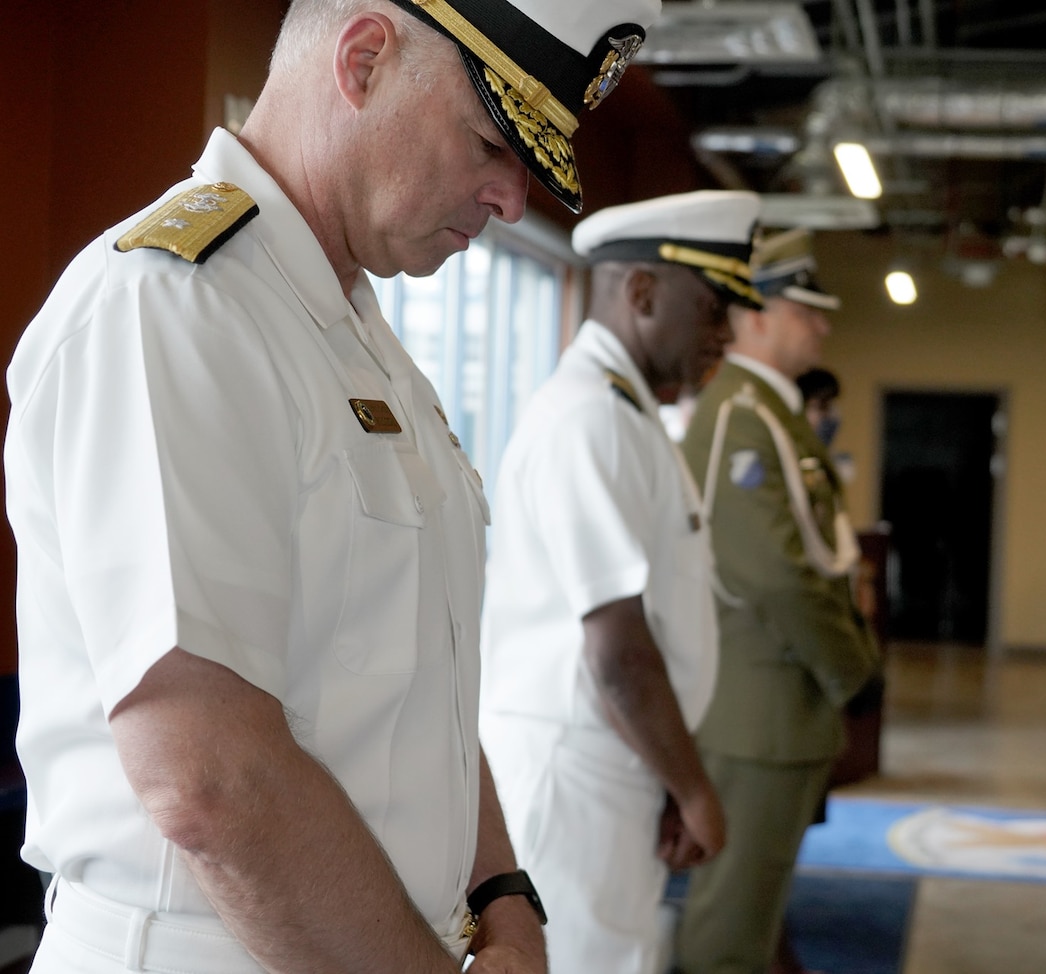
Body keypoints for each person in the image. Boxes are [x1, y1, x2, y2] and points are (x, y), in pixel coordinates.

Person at [2, 0, 656, 971]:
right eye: (490, 142)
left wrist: (500, 892)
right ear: (362, 59)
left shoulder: (364, 341)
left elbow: (420, 682)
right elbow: (209, 776)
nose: (513, 200)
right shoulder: (173, 307)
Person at [477, 190, 760, 974]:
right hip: (578, 777)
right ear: (642, 295)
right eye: (712, 311)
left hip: (615, 765)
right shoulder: (590, 420)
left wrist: (671, 774)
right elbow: (619, 652)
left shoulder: (627, 415)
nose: (726, 338)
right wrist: (696, 788)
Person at [676, 229, 881, 974]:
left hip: (780, 710)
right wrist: (853, 670)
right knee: (729, 929)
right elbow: (775, 575)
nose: (822, 327)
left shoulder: (768, 413)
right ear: (754, 315)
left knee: (754, 916)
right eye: (807, 311)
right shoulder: (742, 417)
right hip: (757, 712)